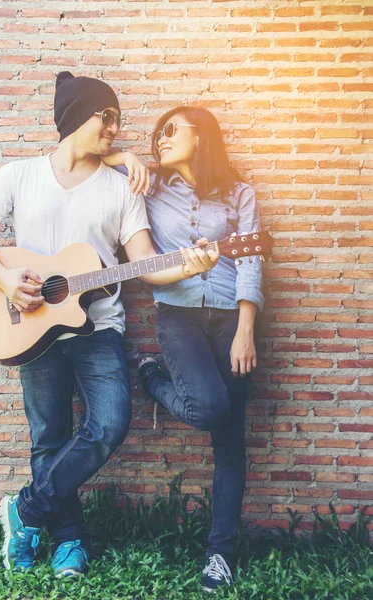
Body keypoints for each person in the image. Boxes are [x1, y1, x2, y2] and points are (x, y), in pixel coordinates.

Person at [0, 75, 218, 579]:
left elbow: (146, 263)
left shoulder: (121, 189)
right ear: (78, 115)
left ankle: (24, 513)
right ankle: (69, 541)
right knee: (48, 435)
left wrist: (189, 266)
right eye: (107, 117)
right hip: (31, 328)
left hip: (99, 331)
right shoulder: (19, 176)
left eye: (117, 119)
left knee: (110, 423)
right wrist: (7, 279)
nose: (116, 129)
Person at [103, 106, 264, 594]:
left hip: (231, 318)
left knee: (230, 441)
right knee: (209, 407)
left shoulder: (240, 194)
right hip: (178, 316)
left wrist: (246, 330)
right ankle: (153, 377)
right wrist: (131, 156)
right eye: (158, 136)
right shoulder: (149, 188)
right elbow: (94, 161)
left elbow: (252, 260)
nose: (161, 140)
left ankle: (220, 556)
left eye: (172, 131)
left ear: (203, 134)